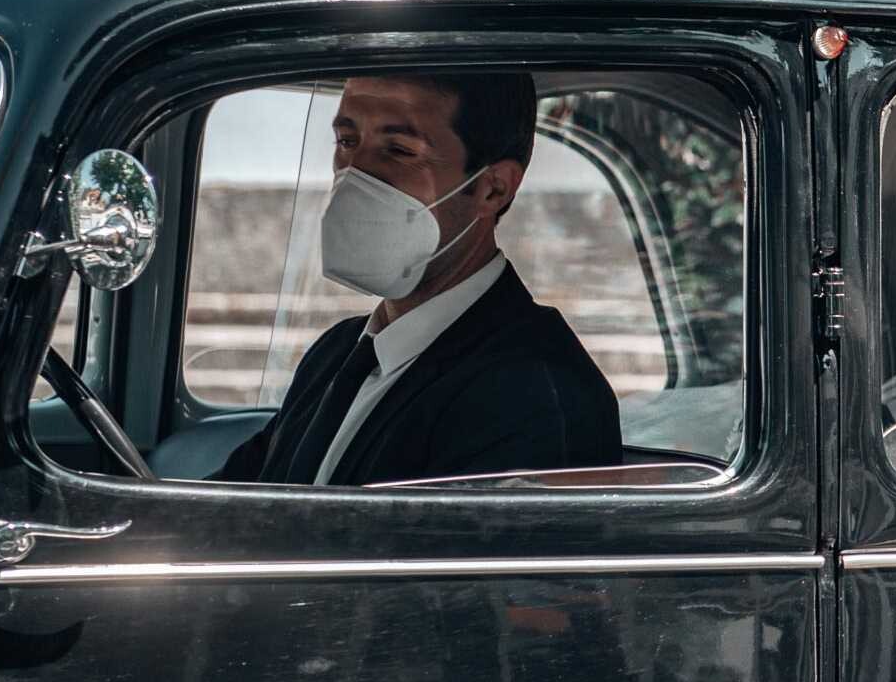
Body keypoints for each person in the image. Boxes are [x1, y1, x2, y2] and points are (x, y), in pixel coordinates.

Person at [213, 72, 621, 486]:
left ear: (492, 189)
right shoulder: (335, 354)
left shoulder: (534, 395)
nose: (355, 176)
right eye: (347, 142)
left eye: (399, 150)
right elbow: (228, 507)